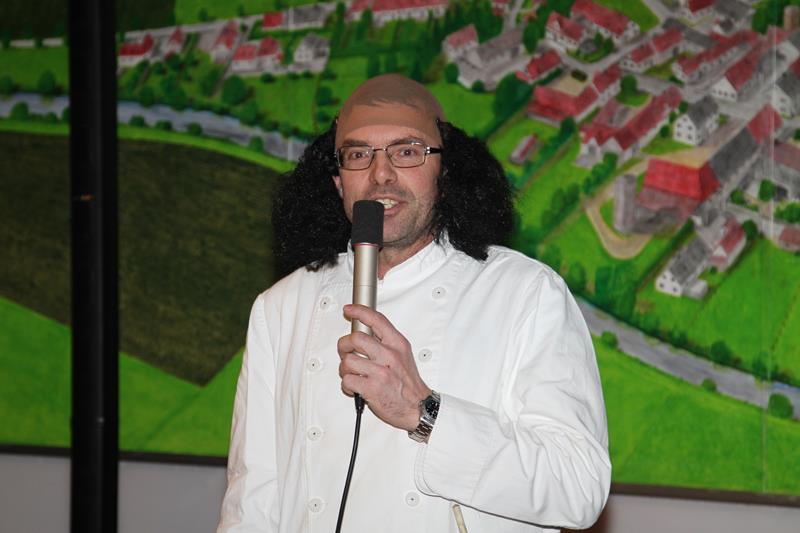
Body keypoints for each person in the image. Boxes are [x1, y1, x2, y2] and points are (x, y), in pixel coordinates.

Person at [218, 74, 611, 532]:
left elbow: (578, 489)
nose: (381, 174)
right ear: (338, 182)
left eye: (407, 151)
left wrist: (423, 412)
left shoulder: (526, 294)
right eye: (359, 154)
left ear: (444, 173)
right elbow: (250, 503)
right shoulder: (281, 307)